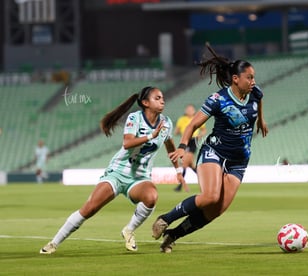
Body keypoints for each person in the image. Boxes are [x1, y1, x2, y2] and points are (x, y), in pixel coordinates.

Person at [152, 43, 268, 253]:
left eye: (253, 77)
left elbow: (259, 100)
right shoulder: (218, 99)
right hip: (215, 152)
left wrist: (261, 120)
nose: (253, 81)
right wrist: (182, 146)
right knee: (210, 197)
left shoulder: (255, 92)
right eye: (249, 77)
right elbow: (193, 124)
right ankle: (165, 219)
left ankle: (173, 235)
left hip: (240, 160)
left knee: (216, 210)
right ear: (236, 79)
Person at [39, 86, 185, 254]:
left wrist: (178, 170)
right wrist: (151, 135)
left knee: (151, 197)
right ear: (145, 103)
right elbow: (127, 143)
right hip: (118, 172)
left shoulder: (166, 123)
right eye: (157, 98)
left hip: (140, 177)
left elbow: (169, 145)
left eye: (162, 97)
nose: (162, 100)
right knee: (89, 209)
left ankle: (129, 230)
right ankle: (54, 243)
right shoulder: (135, 118)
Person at [173, 104, 207, 192]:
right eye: (188, 109)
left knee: (184, 162)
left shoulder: (197, 118)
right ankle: (204, 179)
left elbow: (203, 130)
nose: (189, 110)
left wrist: (200, 135)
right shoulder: (181, 119)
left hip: (193, 141)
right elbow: (176, 131)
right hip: (185, 140)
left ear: (194, 110)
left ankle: (181, 186)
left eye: (191, 109)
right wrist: (179, 131)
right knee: (190, 165)